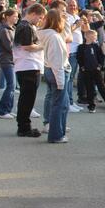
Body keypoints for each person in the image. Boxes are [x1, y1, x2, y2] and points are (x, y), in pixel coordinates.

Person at [37, 9, 71, 144]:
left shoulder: (49, 34)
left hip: (52, 70)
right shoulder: (54, 37)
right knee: (59, 105)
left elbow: (65, 35)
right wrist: (61, 82)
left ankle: (58, 132)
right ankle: (56, 135)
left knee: (62, 104)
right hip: (58, 71)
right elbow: (57, 61)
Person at [13, 4, 46, 137]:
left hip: (27, 65)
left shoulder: (25, 26)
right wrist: (42, 46)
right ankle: (24, 127)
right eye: (40, 17)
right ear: (33, 13)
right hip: (28, 66)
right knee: (27, 98)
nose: (40, 20)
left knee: (26, 97)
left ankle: (23, 125)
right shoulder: (26, 27)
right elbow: (27, 46)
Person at [77, 30, 105, 113]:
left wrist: (100, 66)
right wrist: (82, 67)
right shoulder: (81, 47)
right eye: (94, 36)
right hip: (86, 71)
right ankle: (91, 106)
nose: (95, 38)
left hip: (96, 70)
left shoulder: (96, 46)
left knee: (101, 87)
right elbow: (79, 58)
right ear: (87, 37)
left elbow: (102, 56)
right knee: (89, 89)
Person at [0, 8, 19, 119]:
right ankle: (2, 110)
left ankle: (8, 109)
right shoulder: (4, 30)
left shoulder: (13, 28)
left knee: (12, 86)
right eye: (15, 16)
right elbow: (9, 47)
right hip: (6, 60)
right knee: (10, 85)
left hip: (13, 60)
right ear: (8, 17)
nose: (17, 18)